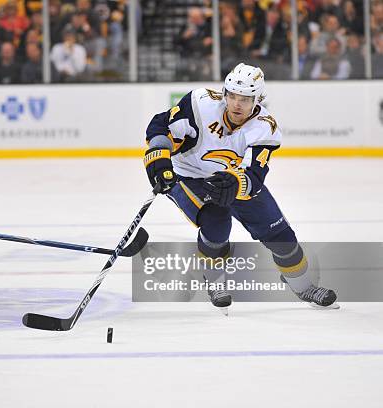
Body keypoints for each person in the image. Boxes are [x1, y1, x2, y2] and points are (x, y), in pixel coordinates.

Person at [143, 62, 337, 310]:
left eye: (245, 99)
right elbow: (160, 124)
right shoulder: (200, 103)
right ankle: (214, 280)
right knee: (217, 219)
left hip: (233, 179)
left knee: (281, 237)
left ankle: (304, 287)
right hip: (188, 175)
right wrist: (158, 158)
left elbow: (254, 175)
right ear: (224, 93)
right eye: (232, 96)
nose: (236, 104)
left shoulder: (265, 127)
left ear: (257, 99)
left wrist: (234, 183)